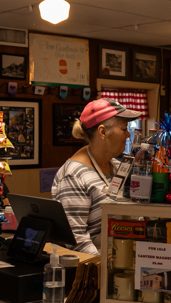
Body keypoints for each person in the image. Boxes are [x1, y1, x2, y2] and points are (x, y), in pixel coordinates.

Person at [51, 98, 141, 255]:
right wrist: (104, 268)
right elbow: (76, 239)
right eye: (124, 128)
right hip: (99, 268)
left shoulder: (118, 166)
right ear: (103, 132)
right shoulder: (74, 175)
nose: (128, 134)